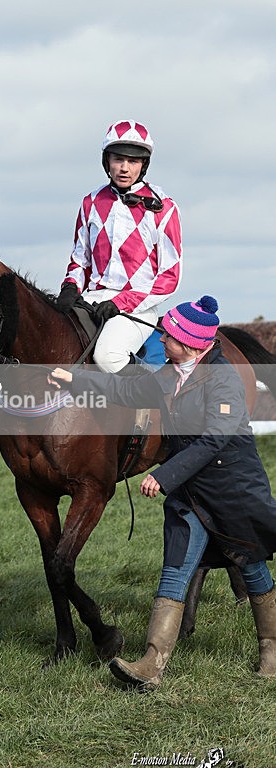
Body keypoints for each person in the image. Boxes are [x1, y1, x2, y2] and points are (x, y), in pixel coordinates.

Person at [50, 295, 276, 689]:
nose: (160, 342)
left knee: (253, 566)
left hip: (232, 491)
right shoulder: (170, 374)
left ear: (188, 343)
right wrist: (76, 379)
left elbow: (213, 443)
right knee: (175, 568)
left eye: (166, 337)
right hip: (190, 493)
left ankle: (272, 652)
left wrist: (164, 476)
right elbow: (128, 392)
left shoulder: (223, 378)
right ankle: (152, 664)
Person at [57, 119, 182, 373]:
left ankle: (151, 392)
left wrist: (122, 302)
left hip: (137, 307)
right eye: (118, 160)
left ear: (143, 165)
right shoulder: (90, 202)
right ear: (107, 162)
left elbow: (169, 278)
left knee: (107, 356)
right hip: (91, 300)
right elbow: (80, 260)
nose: (124, 168)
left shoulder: (164, 208)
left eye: (133, 161)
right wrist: (70, 288)